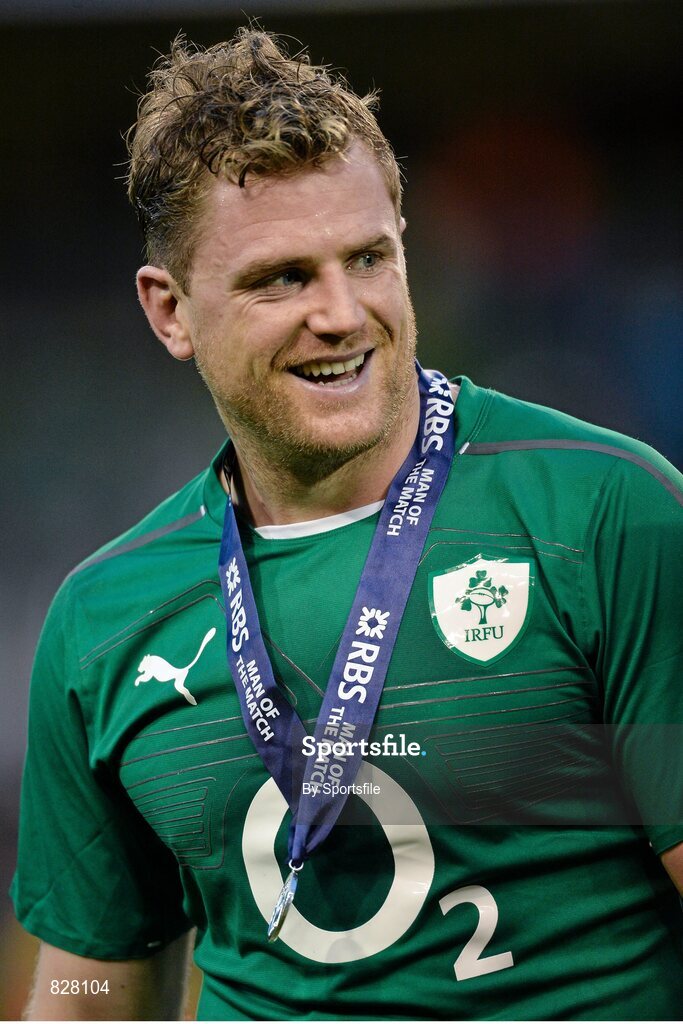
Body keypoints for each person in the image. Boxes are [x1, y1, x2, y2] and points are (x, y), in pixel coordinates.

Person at [11, 26, 683, 1022]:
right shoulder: (102, 619)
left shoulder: (603, 514)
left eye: (367, 258)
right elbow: (84, 983)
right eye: (280, 277)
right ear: (170, 313)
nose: (341, 313)